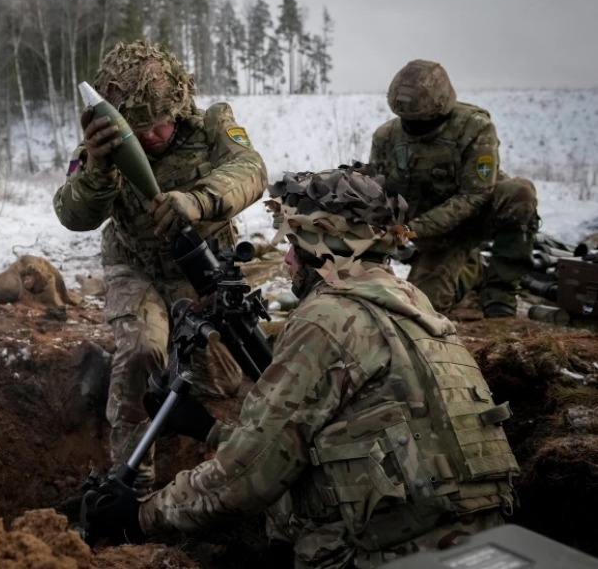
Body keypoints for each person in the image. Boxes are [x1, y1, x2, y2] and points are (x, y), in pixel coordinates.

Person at [83, 168, 519, 569]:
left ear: (323, 250)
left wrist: (141, 516)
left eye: (294, 245)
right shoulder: (414, 305)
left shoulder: (327, 320)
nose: (287, 260)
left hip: (396, 554)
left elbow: (247, 479)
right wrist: (209, 431)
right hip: (482, 543)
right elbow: (348, 441)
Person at [53, 39, 267, 493]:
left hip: (203, 271)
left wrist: (197, 201)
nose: (150, 136)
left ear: (179, 104)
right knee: (142, 352)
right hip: (136, 268)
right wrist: (97, 170)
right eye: (139, 128)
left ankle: (250, 463)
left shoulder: (212, 125)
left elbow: (250, 170)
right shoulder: (101, 149)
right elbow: (73, 216)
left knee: (229, 381)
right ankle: (134, 483)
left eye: (159, 124)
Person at [368, 59, 539, 318]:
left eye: (420, 121)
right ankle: (471, 272)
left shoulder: (475, 128)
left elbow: (474, 195)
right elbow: (380, 193)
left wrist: (413, 230)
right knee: (421, 308)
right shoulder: (386, 137)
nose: (412, 128)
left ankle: (500, 290)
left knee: (519, 193)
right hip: (435, 234)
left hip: (474, 216)